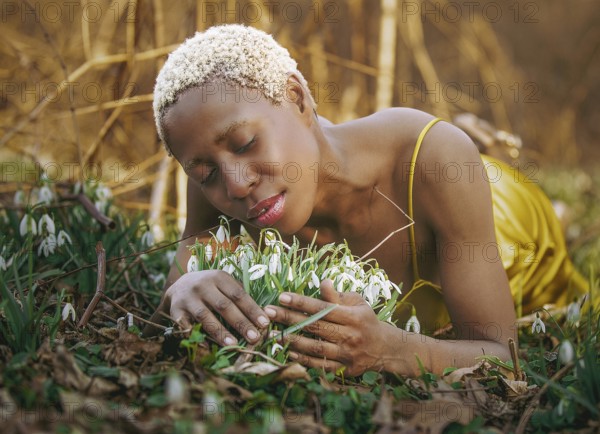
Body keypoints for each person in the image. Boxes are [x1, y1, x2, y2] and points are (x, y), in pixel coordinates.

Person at [146, 24, 587, 376]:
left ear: (297, 98)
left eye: (244, 144)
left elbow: (501, 357)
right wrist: (183, 287)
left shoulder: (433, 158)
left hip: (503, 220)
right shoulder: (221, 182)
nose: (237, 185)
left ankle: (553, 208)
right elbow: (175, 294)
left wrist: (393, 350)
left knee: (536, 237)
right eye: (204, 173)